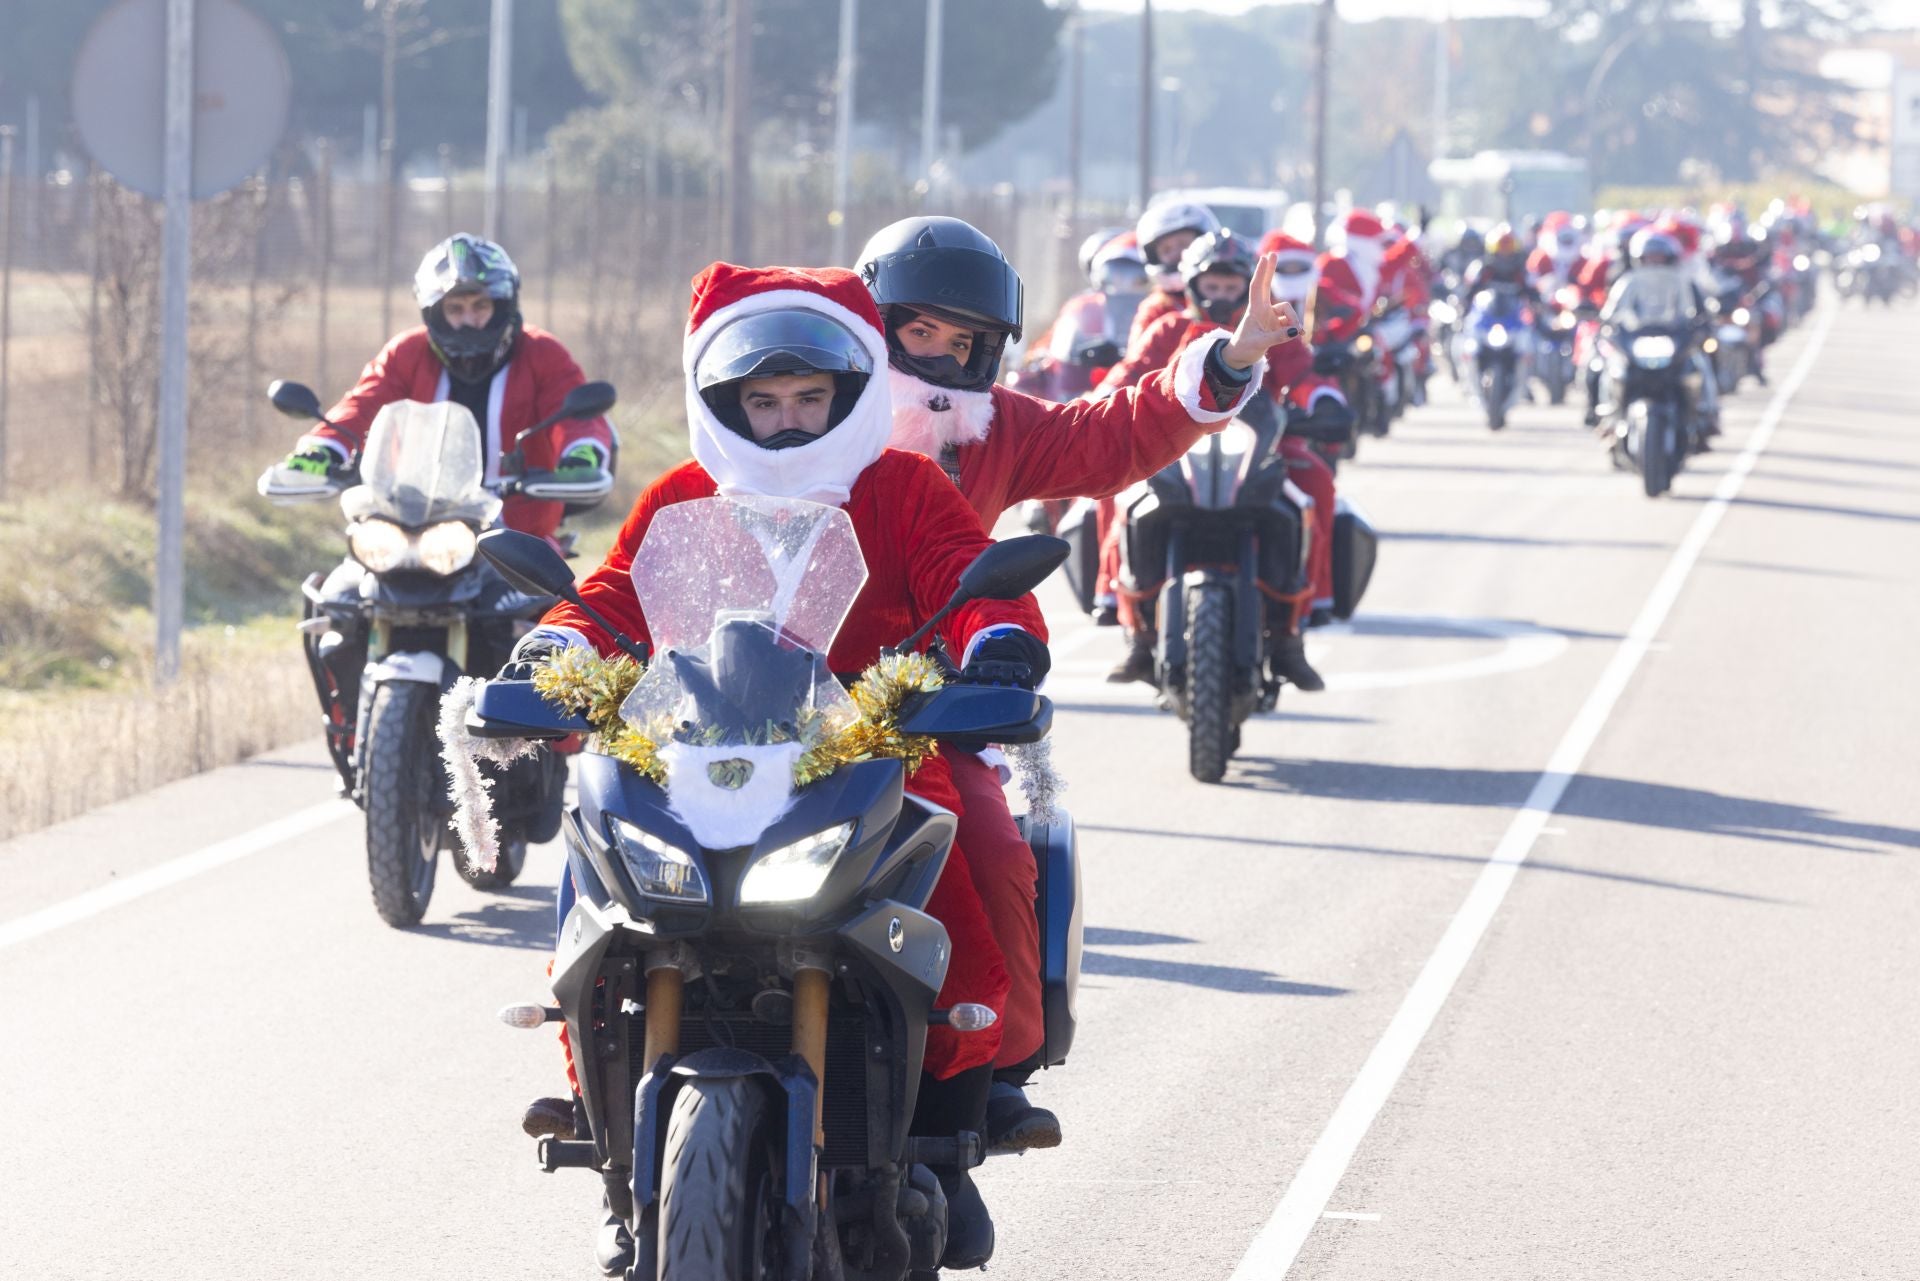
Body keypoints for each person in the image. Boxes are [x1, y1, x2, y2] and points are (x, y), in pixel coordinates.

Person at [512, 261, 1041, 1273]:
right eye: (763, 399)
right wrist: (555, 641)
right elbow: (613, 594)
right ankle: (607, 1128)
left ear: (849, 395)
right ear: (727, 403)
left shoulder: (904, 486)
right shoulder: (683, 495)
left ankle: (957, 1117)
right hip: (697, 758)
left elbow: (969, 579)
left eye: (810, 398)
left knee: (988, 855)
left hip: (874, 753)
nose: (788, 419)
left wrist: (996, 640)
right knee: (588, 874)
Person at [856, 213, 1298, 1153]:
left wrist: (1231, 359)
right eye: (920, 330)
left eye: (964, 340)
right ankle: (606, 1067)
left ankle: (983, 1082)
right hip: (770, 706)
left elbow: (1109, 435)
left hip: (926, 715)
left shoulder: (995, 429)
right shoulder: (812, 405)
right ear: (874, 321)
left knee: (992, 854)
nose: (940, 354)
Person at [1092, 229, 1334, 692]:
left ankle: (1294, 631)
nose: (1222, 297)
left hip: (1264, 449)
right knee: (1119, 492)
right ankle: (1133, 628)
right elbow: (1130, 372)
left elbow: (1305, 374)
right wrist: (1104, 397)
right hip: (1171, 448)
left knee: (1315, 485)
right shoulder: (1168, 329)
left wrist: (1326, 401)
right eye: (1212, 287)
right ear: (1192, 287)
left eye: (1230, 288)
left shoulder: (1274, 325)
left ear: (1248, 287)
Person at [275, 234, 614, 545]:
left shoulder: (542, 353)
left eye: (480, 306)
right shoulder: (407, 353)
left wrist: (580, 453)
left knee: (558, 607)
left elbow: (574, 413)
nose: (468, 319)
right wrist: (322, 447)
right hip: (410, 527)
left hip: (520, 533)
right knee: (338, 593)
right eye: (455, 308)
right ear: (435, 313)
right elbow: (363, 403)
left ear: (502, 304)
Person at [1130, 200, 1223, 345]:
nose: (1178, 254)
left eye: (1184, 244)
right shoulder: (1156, 308)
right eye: (1166, 250)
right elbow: (1138, 362)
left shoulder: (1234, 292)